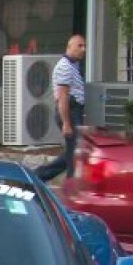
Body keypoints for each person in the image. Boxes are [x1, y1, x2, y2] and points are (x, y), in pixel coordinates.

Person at [36, 34, 86, 182]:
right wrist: (66, 123)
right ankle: (44, 176)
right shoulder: (65, 66)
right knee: (75, 150)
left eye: (84, 46)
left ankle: (41, 176)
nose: (83, 49)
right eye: (80, 46)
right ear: (69, 47)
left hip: (74, 110)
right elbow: (63, 96)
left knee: (74, 150)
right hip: (69, 110)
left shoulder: (73, 65)